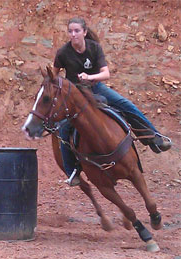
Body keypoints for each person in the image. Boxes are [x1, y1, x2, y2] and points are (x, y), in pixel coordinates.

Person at [53, 17, 172, 186]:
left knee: (126, 105)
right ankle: (72, 171)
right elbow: (54, 75)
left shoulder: (94, 48)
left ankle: (154, 137)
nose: (73, 34)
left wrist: (90, 77)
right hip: (75, 95)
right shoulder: (63, 52)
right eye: (70, 31)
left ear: (84, 32)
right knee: (64, 128)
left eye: (77, 31)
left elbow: (105, 74)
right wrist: (63, 89)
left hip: (96, 87)